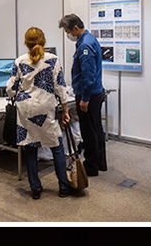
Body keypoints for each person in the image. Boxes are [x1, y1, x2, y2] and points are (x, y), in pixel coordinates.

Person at [6, 27, 76, 199]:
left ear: (26, 42)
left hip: (26, 109)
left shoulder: (19, 61)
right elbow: (60, 87)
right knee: (56, 145)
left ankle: (35, 189)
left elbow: (10, 88)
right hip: (46, 107)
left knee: (31, 147)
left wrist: (20, 92)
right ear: (43, 41)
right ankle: (63, 187)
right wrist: (65, 110)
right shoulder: (53, 60)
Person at [58, 14, 106, 178]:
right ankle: (100, 162)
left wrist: (84, 99)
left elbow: (88, 75)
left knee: (89, 131)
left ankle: (91, 166)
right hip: (96, 92)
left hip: (89, 95)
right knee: (97, 128)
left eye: (67, 31)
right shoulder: (89, 39)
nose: (68, 35)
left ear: (75, 28)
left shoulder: (85, 45)